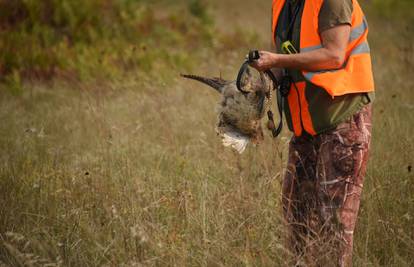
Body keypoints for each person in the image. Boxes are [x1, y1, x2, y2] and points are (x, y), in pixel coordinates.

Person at [250, 0, 374, 266]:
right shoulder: (283, 4)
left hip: (342, 122)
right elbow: (290, 61)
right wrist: (263, 76)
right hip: (306, 127)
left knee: (334, 227)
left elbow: (334, 55)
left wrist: (278, 59)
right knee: (297, 219)